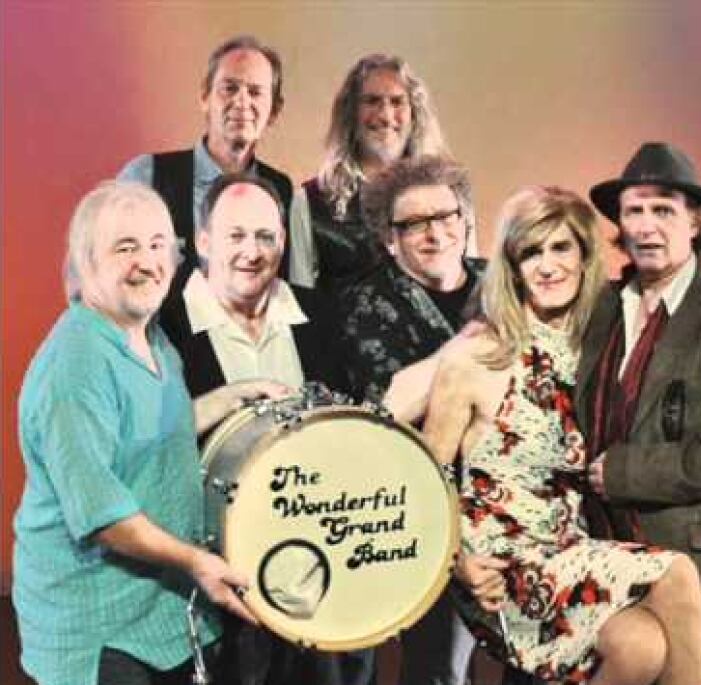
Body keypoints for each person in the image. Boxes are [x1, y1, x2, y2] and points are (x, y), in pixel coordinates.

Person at [424, 185, 701, 685]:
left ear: (584, 256)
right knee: (676, 573)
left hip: (568, 549)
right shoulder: (474, 357)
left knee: (640, 646)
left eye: (561, 248)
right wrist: (458, 564)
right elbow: (419, 482)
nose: (548, 265)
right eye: (531, 252)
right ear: (512, 268)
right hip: (497, 567)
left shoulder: (595, 353)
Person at [12, 181, 285, 685]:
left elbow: (154, 431)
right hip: (97, 626)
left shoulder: (151, 339)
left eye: (158, 245)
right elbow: (102, 518)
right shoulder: (77, 362)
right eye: (126, 247)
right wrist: (196, 561)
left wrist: (236, 395)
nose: (147, 261)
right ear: (86, 261)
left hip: (159, 607)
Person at [577, 142, 701, 685]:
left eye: (663, 209)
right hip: (607, 575)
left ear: (697, 220)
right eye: (633, 210)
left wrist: (624, 473)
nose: (646, 225)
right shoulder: (595, 310)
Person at [163, 171, 369, 685]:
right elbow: (149, 443)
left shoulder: (319, 313)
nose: (251, 252)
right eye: (235, 236)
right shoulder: (166, 322)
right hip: (219, 578)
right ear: (204, 240)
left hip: (320, 562)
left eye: (265, 237)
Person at [337, 155, 485, 685]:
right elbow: (392, 412)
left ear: (465, 220)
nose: (434, 233)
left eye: (445, 216)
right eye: (413, 224)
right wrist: (477, 342)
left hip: (514, 501)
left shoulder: (499, 284)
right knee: (436, 668)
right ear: (389, 238)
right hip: (419, 508)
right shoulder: (363, 304)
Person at [118, 35, 293, 295]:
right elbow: (97, 273)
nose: (242, 102)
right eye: (229, 88)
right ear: (204, 97)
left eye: (255, 92)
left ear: (275, 110)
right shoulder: (147, 177)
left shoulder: (282, 191)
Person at [288, 54, 453, 292]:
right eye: (372, 101)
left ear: (414, 115)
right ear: (351, 113)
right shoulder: (308, 202)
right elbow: (301, 302)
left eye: (397, 102)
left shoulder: (448, 198)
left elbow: (468, 291)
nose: (386, 116)